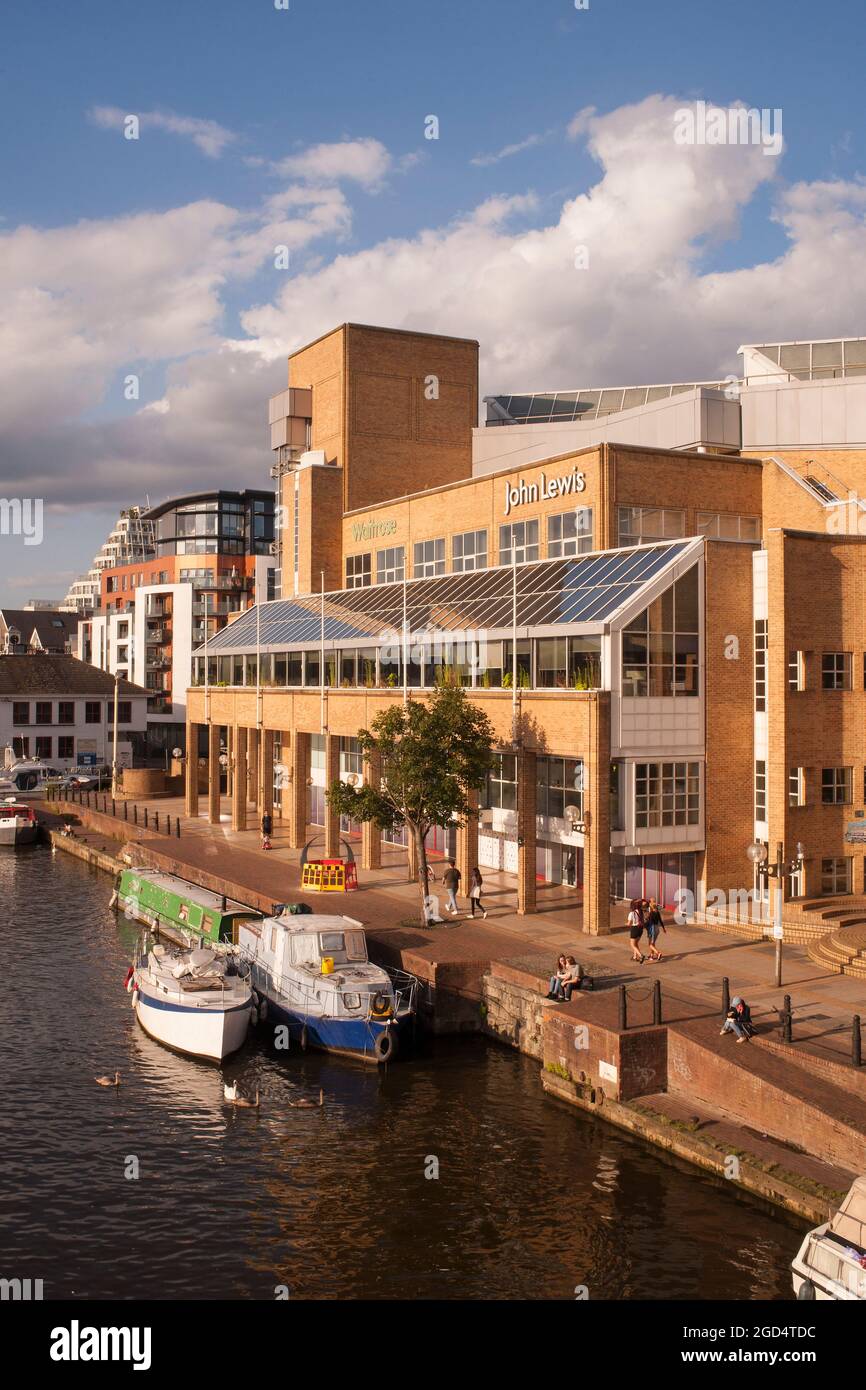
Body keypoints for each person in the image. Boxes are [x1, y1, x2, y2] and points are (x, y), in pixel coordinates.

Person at [645, 898, 666, 962]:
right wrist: (663, 928)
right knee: (653, 943)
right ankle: (651, 955)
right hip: (657, 928)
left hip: (652, 928)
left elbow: (650, 922)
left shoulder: (651, 913)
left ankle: (658, 953)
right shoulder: (657, 912)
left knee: (650, 944)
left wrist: (646, 920)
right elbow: (660, 921)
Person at [627, 898, 646, 963]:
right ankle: (635, 957)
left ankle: (641, 955)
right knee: (636, 943)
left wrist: (626, 923)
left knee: (632, 944)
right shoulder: (641, 912)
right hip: (640, 929)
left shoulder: (631, 913)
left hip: (634, 929)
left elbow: (629, 924)